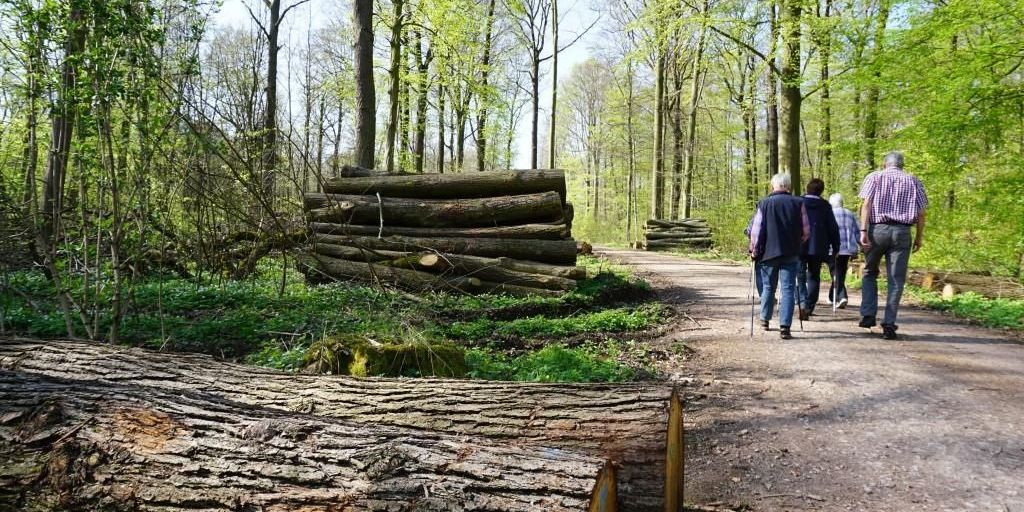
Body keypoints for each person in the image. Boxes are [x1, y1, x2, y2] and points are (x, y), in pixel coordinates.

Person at [858, 151, 929, 340]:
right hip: (902, 232)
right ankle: (889, 324)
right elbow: (921, 213)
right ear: (902, 165)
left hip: (877, 230)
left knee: (869, 271)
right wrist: (919, 237)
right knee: (896, 280)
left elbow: (866, 204)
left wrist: (863, 231)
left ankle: (868, 314)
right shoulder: (914, 181)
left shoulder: (874, 177)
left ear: (884, 164)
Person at [749, 173, 810, 340]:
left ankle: (765, 319)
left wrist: (753, 249)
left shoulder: (764, 203)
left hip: (768, 253)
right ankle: (785, 327)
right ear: (788, 186)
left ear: (773, 186)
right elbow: (806, 231)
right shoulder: (799, 203)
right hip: (791, 252)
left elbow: (756, 230)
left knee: (768, 287)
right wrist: (798, 242)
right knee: (788, 289)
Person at [797, 178, 840, 320]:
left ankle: (802, 302)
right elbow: (833, 228)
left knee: (799, 275)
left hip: (799, 245)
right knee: (814, 276)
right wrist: (836, 247)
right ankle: (808, 306)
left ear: (807, 188)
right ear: (821, 191)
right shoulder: (825, 206)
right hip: (818, 246)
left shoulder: (798, 202)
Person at [827, 193, 860, 308]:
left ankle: (842, 296)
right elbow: (857, 232)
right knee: (840, 272)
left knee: (835, 273)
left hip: (832, 249)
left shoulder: (829, 214)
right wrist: (860, 245)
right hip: (847, 249)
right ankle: (832, 296)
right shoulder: (850, 214)